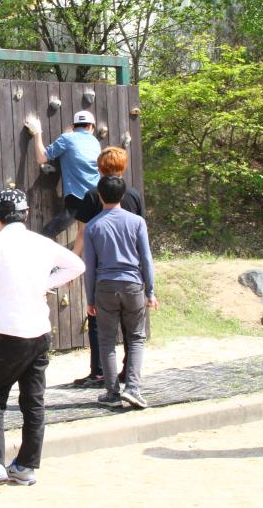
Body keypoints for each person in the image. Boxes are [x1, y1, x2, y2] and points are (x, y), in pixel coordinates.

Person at [0, 188, 85, 491]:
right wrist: (46, 282)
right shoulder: (42, 243)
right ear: (26, 214)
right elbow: (77, 265)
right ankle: (26, 466)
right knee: (34, 403)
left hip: (6, 332)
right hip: (39, 331)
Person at [71, 146, 145, 388]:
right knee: (132, 328)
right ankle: (129, 374)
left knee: (98, 324)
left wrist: (73, 260)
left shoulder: (94, 194)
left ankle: (100, 372)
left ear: (100, 167)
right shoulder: (133, 195)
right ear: (123, 166)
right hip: (131, 271)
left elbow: (82, 232)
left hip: (103, 271)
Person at [83, 176, 158, 410]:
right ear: (123, 195)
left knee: (106, 340)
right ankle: (133, 388)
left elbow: (90, 266)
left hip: (105, 286)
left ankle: (112, 393)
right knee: (136, 337)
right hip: (133, 284)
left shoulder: (92, 226)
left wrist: (90, 299)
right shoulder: (137, 222)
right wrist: (151, 291)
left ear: (100, 196)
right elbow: (146, 258)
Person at [27, 111, 101, 239]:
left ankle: (35, 247)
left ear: (73, 126)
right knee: (85, 233)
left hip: (77, 197)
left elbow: (41, 158)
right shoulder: (95, 142)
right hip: (96, 195)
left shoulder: (67, 139)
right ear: (91, 126)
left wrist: (37, 132)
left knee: (48, 233)